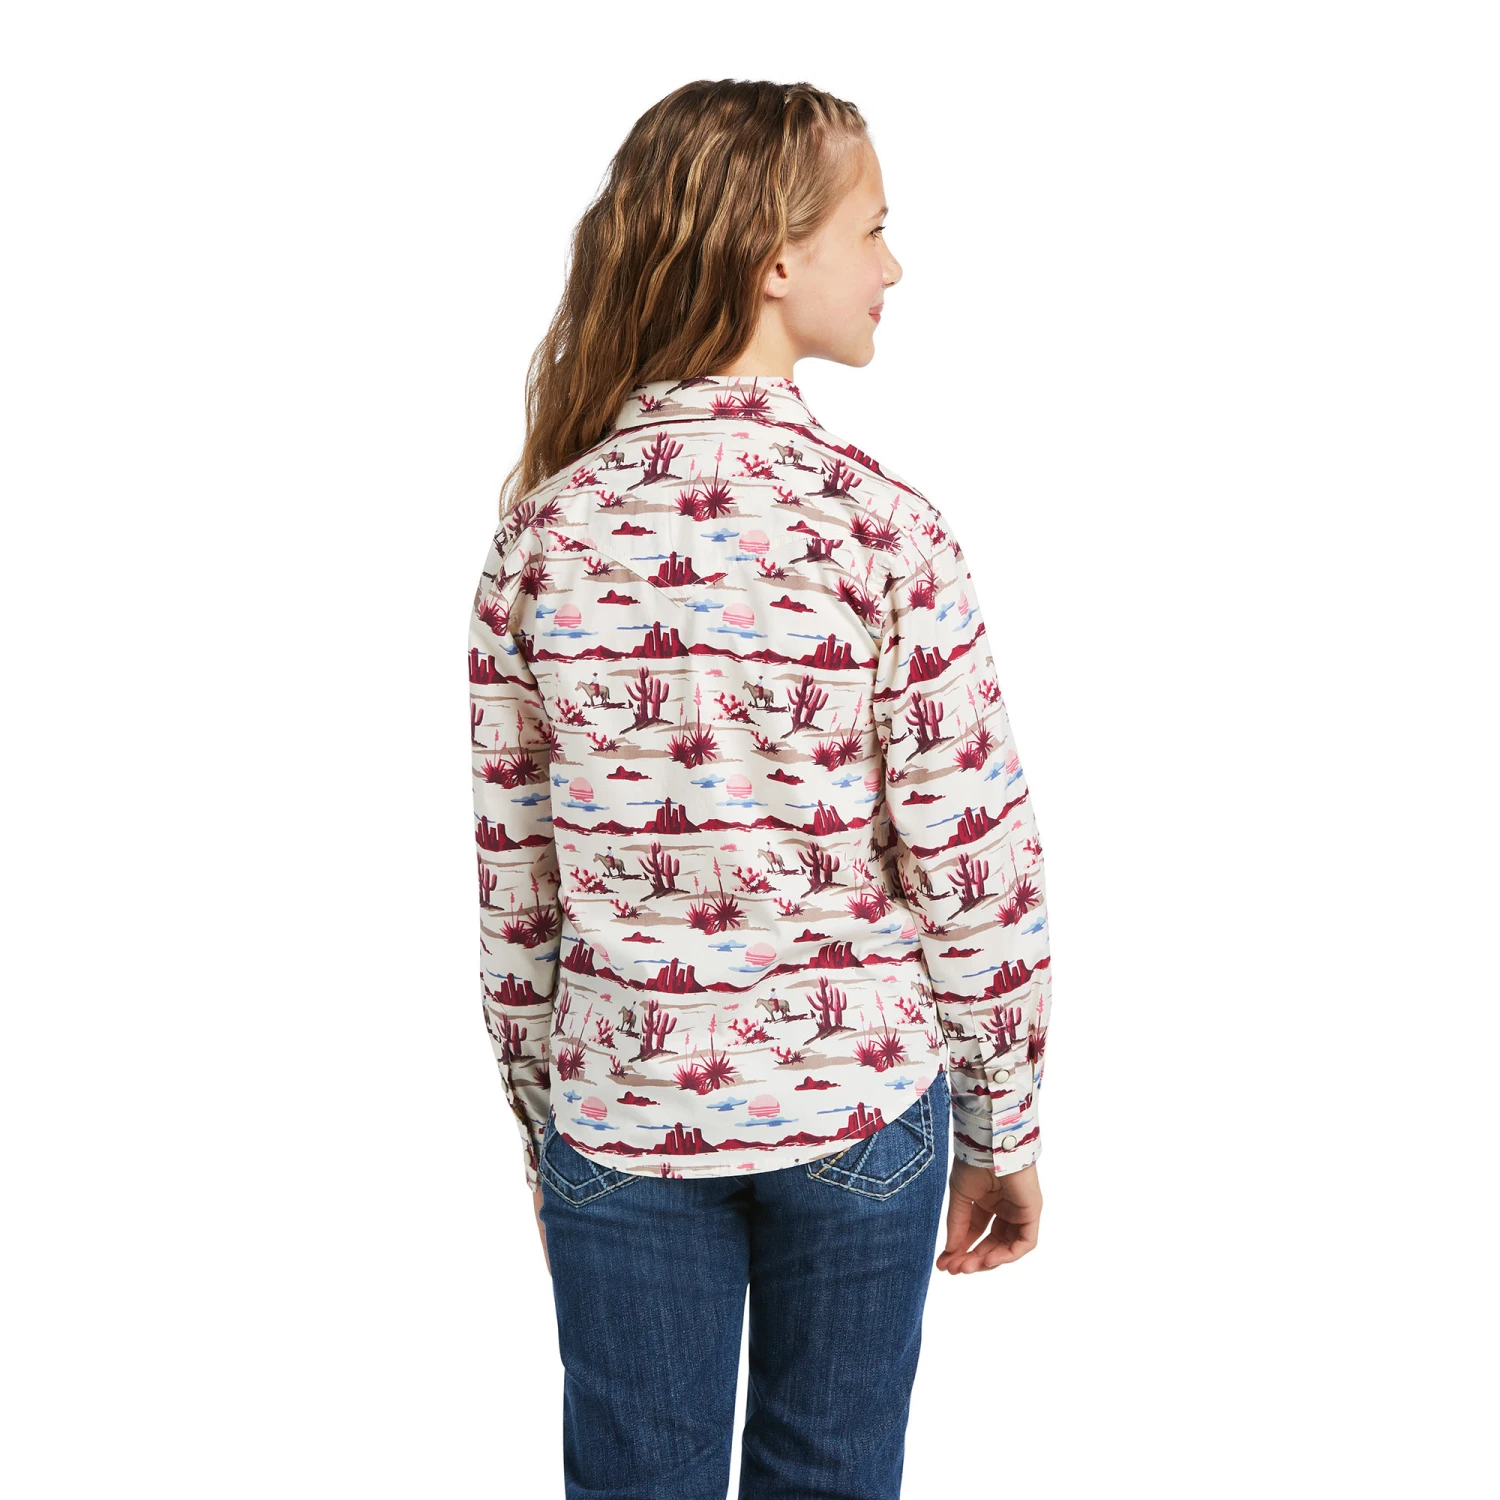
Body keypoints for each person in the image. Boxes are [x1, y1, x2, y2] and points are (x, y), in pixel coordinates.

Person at [468, 78, 1053, 1500]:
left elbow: (516, 884)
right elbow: (973, 858)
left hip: (622, 1111)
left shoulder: (544, 535)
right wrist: (1004, 1119)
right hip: (859, 1108)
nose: (896, 265)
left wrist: (551, 1127)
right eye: (874, 229)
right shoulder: (883, 530)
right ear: (776, 260)